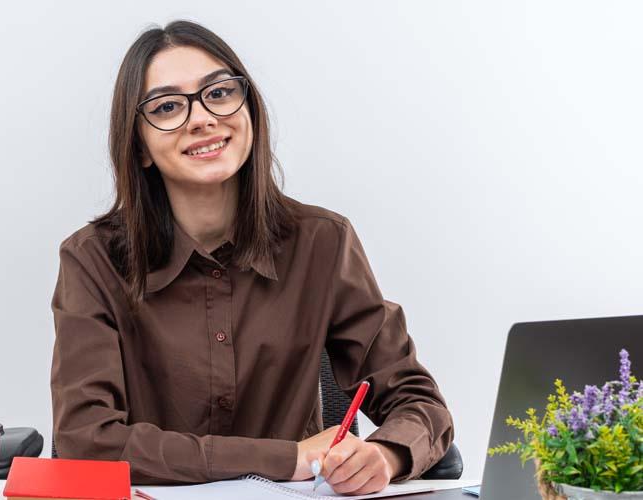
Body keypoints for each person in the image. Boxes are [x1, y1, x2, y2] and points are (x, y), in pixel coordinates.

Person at [49, 20, 453, 494]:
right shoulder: (93, 260)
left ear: (249, 110)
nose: (202, 118)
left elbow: (418, 401)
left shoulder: (322, 242)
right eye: (167, 106)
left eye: (218, 93)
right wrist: (286, 458)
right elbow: (85, 441)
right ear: (139, 146)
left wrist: (385, 455)